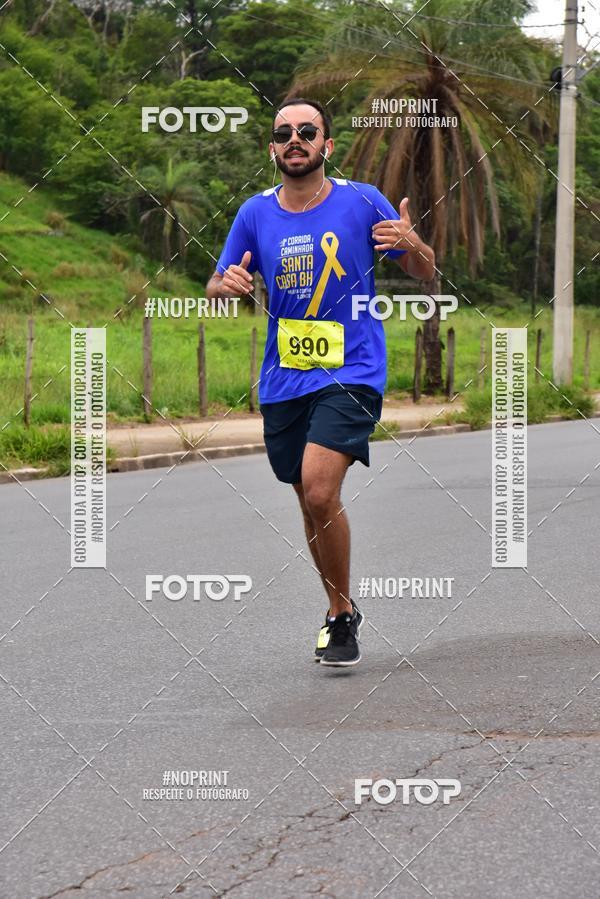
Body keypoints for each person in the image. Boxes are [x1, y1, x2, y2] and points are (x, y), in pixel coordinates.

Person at [206, 98, 435, 666]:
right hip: (284, 379)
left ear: (326, 146)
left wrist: (414, 245)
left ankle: (339, 620)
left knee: (318, 488)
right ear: (272, 149)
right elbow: (216, 282)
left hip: (352, 370)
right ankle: (340, 609)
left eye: (307, 131)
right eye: (283, 132)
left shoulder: (361, 200)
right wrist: (227, 284)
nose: (295, 139)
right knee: (308, 503)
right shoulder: (255, 213)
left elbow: (425, 272)